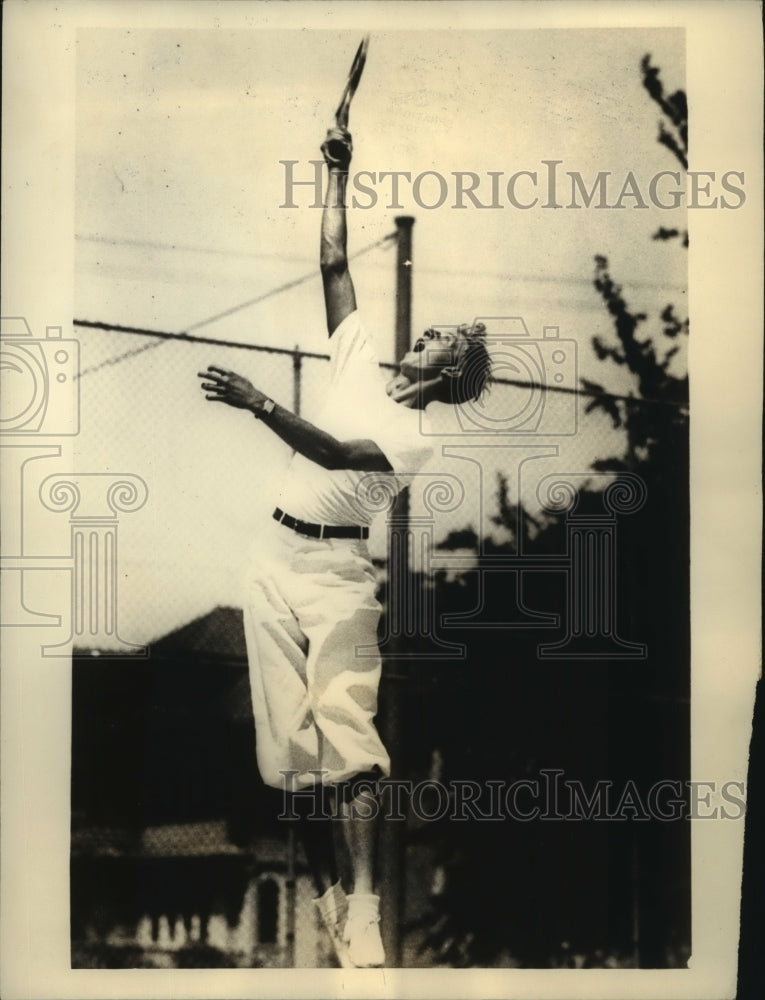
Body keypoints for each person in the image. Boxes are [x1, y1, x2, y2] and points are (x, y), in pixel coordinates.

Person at [198, 126, 492, 968]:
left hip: (337, 577)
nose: (427, 333)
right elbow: (334, 263)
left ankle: (363, 906)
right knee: (289, 758)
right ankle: (331, 905)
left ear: (450, 371)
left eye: (442, 338)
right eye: (433, 328)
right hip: (271, 561)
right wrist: (338, 172)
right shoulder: (358, 353)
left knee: (348, 743)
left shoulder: (418, 437)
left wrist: (259, 402)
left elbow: (333, 454)